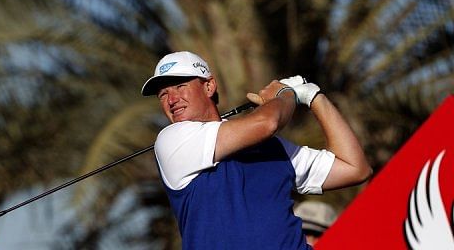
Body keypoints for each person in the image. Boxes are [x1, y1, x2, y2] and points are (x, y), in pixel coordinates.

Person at [141, 51, 372, 250]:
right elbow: (267, 123)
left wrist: (313, 97)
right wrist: (286, 94)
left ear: (209, 86)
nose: (171, 99)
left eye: (180, 86)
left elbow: (355, 168)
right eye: (163, 94)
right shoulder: (171, 140)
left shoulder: (274, 148)